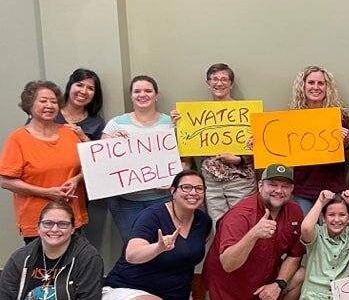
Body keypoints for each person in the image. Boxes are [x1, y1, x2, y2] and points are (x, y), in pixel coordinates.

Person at [101, 169, 212, 300]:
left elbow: (189, 255)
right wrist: (158, 248)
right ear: (172, 191)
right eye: (185, 187)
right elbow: (132, 254)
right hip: (134, 287)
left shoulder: (203, 222)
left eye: (199, 188)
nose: (193, 193)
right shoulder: (152, 215)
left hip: (175, 293)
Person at [199, 163, 305, 300]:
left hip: (263, 276)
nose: (279, 191)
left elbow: (295, 254)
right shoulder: (240, 216)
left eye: (285, 186)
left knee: (301, 275)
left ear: (291, 189)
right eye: (273, 184)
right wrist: (253, 234)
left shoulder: (294, 211)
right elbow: (228, 264)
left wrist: (279, 284)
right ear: (260, 185)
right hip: (229, 287)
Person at [1, 81, 87, 241]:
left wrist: (77, 179)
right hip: (38, 222)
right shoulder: (17, 139)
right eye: (43, 101)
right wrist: (47, 193)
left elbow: (89, 165)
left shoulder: (69, 133)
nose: (49, 105)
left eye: (53, 101)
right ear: (29, 105)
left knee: (74, 264)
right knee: (42, 265)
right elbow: (6, 182)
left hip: (71, 218)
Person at [102, 75, 176, 244]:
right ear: (131, 96)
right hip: (125, 201)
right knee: (133, 246)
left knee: (165, 244)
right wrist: (112, 141)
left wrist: (173, 181)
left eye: (148, 90)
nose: (142, 94)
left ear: (156, 95)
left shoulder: (170, 123)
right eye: (137, 91)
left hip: (162, 198)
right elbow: (102, 161)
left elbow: (183, 158)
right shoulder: (116, 124)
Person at [194, 63, 257, 224]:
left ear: (231, 84)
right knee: (218, 226)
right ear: (208, 83)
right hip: (211, 181)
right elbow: (188, 141)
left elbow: (257, 147)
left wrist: (239, 159)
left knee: (244, 224)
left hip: (241, 179)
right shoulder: (196, 113)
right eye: (214, 79)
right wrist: (179, 123)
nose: (219, 83)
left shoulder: (247, 112)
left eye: (224, 79)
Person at [289, 66, 349, 215]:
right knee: (306, 233)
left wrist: (347, 142)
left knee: (332, 234)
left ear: (327, 87)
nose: (316, 87)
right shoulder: (292, 118)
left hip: (334, 188)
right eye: (311, 83)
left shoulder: (340, 117)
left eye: (321, 83)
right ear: (303, 86)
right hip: (303, 190)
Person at [56, 68, 106, 142]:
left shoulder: (97, 123)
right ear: (69, 86)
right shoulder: (51, 113)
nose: (83, 91)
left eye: (90, 88)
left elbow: (98, 151)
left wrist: (84, 138)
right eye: (79, 85)